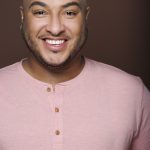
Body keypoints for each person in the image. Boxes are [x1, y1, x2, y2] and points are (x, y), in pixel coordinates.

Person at [0, 0, 149, 149]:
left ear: (85, 17)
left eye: (69, 13)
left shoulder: (132, 92)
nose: (55, 28)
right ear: (22, 17)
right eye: (40, 12)